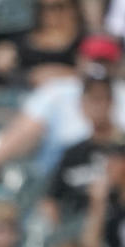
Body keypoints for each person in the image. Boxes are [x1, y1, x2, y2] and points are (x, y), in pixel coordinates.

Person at [0, 34, 125, 194]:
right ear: (80, 58)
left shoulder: (121, 93)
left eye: (104, 60)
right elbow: (24, 130)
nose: (97, 66)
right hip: (56, 183)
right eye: (93, 59)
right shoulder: (58, 90)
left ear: (116, 63)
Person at [40, 72, 120, 224]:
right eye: (90, 99)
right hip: (76, 233)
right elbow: (50, 199)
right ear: (82, 105)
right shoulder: (72, 153)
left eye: (100, 99)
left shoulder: (121, 148)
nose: (96, 106)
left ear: (111, 102)